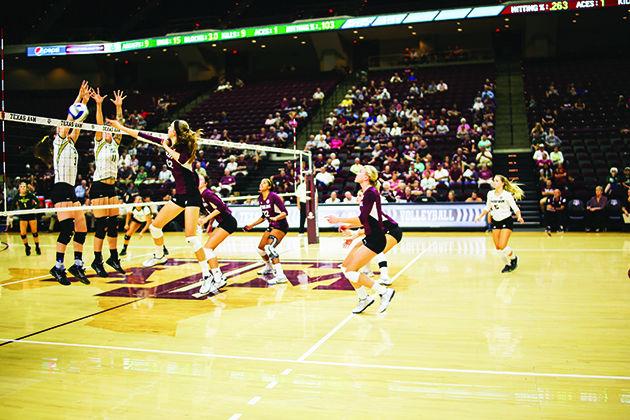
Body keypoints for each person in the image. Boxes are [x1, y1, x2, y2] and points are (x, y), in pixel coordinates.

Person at [106, 118, 215, 289]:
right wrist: (120, 127)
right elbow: (141, 135)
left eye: (171, 126)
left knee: (191, 237)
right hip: (179, 195)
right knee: (155, 227)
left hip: (192, 196)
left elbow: (182, 161)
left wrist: (166, 146)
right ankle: (160, 254)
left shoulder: (185, 149)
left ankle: (207, 275)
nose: (168, 127)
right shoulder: (168, 141)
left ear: (175, 132)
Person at [324, 165, 396, 313]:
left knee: (351, 271)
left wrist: (339, 219)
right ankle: (364, 298)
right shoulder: (366, 193)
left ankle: (384, 292)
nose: (358, 173)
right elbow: (366, 220)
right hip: (370, 236)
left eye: (361, 171)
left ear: (366, 177)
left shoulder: (371, 193)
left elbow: (362, 219)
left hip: (376, 239)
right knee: (345, 268)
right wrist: (350, 229)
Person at [49, 81, 91, 286]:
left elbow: (76, 123)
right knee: (66, 230)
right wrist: (78, 98)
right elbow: (69, 119)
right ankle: (58, 267)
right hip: (60, 189)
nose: (63, 126)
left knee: (82, 228)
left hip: (71, 190)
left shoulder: (72, 144)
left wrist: (84, 100)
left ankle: (77, 264)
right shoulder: (59, 141)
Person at [89, 88, 126, 277]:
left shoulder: (115, 143)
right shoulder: (99, 141)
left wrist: (119, 108)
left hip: (111, 186)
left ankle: (113, 258)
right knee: (101, 225)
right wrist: (98, 104)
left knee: (114, 224)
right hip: (98, 186)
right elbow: (98, 122)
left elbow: (120, 124)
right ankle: (97, 260)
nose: (109, 131)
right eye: (106, 129)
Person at [474, 175, 525, 273]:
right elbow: (487, 207)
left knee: (502, 245)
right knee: (498, 248)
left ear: (502, 183)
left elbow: (515, 208)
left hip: (506, 220)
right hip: (496, 221)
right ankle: (508, 264)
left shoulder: (507, 195)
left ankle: (514, 258)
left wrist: (519, 216)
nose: (494, 182)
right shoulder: (490, 194)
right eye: (494, 180)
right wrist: (480, 216)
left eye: (497, 181)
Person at [243, 178, 290, 285]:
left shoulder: (273, 196)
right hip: (271, 226)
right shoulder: (260, 198)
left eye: (264, 183)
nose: (261, 184)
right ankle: (268, 267)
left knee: (269, 247)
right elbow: (264, 215)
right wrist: (252, 225)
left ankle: (281, 276)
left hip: (280, 225)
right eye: (261, 182)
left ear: (269, 187)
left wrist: (276, 218)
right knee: (260, 249)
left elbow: (284, 213)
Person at [198, 175, 239, 293]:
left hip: (228, 222)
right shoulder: (201, 196)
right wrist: (210, 224)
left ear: (205, 183)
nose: (198, 181)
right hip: (223, 222)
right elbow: (213, 210)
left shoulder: (207, 193)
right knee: (207, 249)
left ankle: (218, 277)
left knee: (207, 249)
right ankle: (218, 276)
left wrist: (205, 220)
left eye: (201, 180)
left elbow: (221, 207)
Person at [15, 182, 41, 255]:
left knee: (34, 233)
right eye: (21, 186)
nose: (23, 188)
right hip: (23, 216)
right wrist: (11, 212)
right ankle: (27, 247)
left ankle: (37, 247)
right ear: (19, 188)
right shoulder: (17, 196)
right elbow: (12, 205)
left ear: (26, 188)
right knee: (23, 234)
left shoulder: (30, 195)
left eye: (24, 186)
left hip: (31, 215)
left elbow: (38, 202)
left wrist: (34, 208)